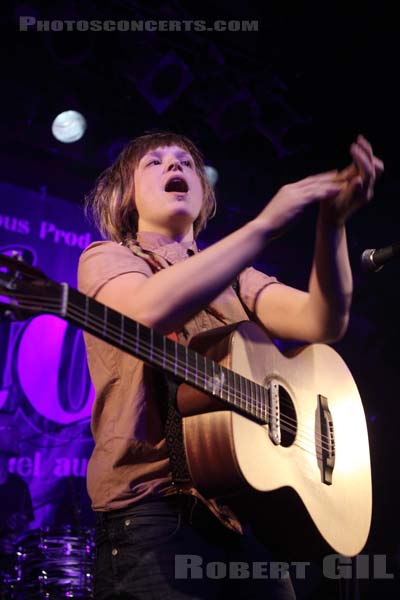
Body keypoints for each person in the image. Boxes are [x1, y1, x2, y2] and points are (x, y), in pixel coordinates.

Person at [78, 131, 383, 599]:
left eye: (184, 163)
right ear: (126, 196)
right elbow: (144, 311)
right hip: (152, 517)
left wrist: (332, 226)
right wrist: (263, 226)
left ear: (203, 195)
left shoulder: (238, 280)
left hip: (243, 519)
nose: (173, 167)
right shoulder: (108, 257)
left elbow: (324, 320)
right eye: (154, 163)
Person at [0, 412, 34, 581]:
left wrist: (17, 539)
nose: (18, 434)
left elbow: (25, 532)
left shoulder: (19, 486)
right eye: (11, 428)